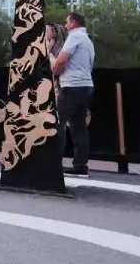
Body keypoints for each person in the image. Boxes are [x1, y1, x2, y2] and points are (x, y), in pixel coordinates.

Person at [53, 11, 95, 177]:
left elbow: (62, 59)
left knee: (58, 122)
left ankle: (53, 161)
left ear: (74, 23)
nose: (65, 25)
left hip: (71, 85)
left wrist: (55, 72)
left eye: (67, 22)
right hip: (86, 85)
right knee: (79, 126)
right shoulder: (88, 40)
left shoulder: (74, 37)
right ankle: (80, 165)